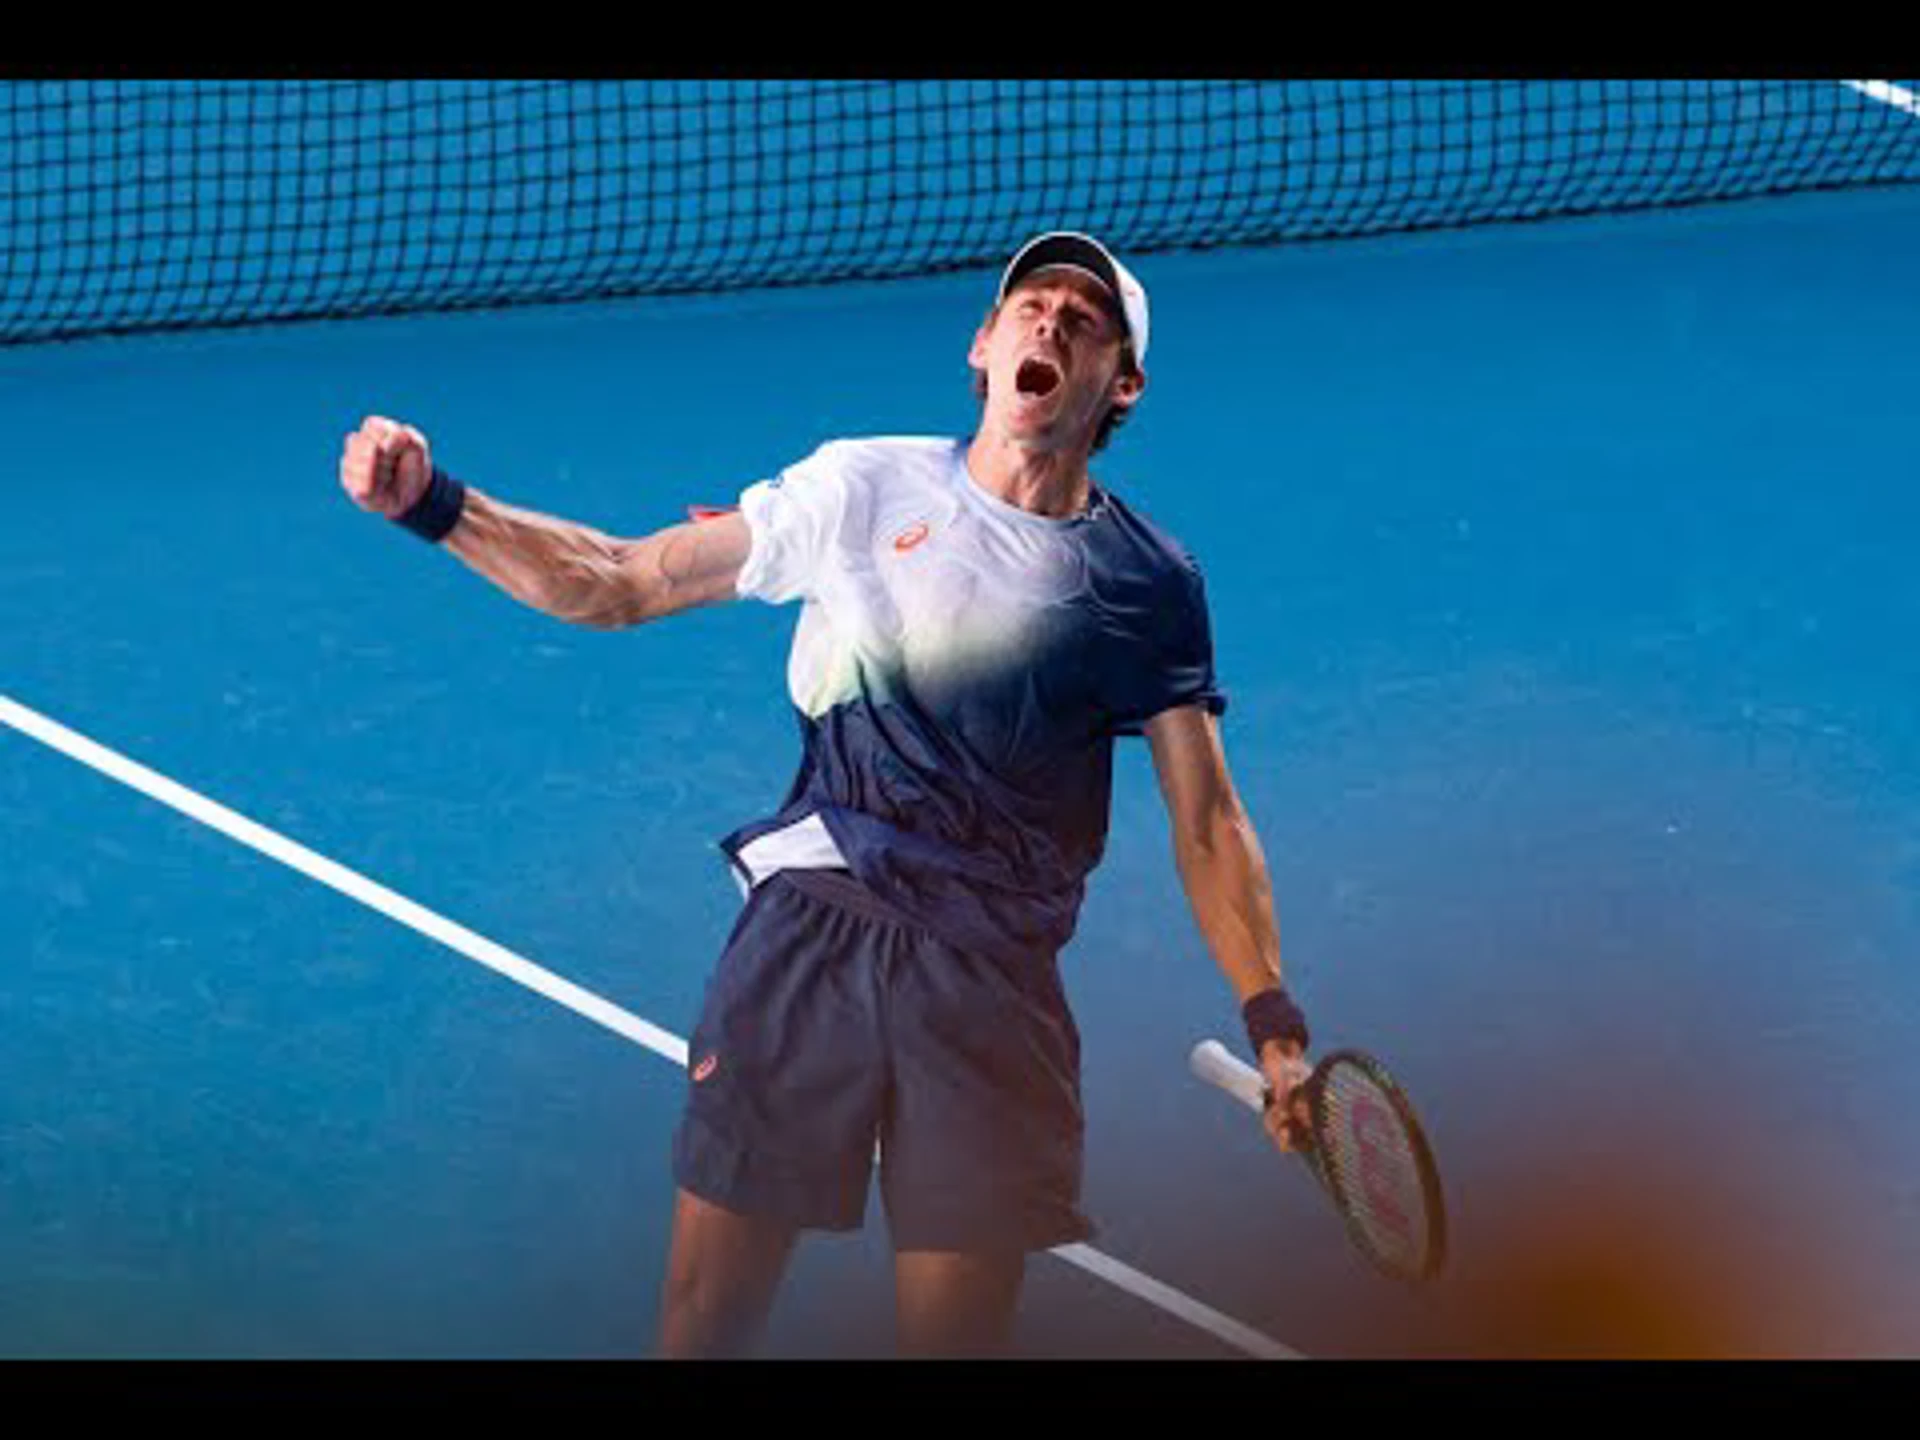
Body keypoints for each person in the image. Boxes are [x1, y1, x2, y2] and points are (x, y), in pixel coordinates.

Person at [338, 231, 1314, 1359]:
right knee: (704, 1322)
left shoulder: (1145, 584)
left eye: (1083, 319)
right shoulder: (860, 487)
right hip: (816, 938)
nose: (1049, 321)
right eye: (1029, 305)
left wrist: (1274, 1021)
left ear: (1122, 381)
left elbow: (1207, 819)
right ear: (984, 345)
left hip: (990, 985)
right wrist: (438, 505)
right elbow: (619, 581)